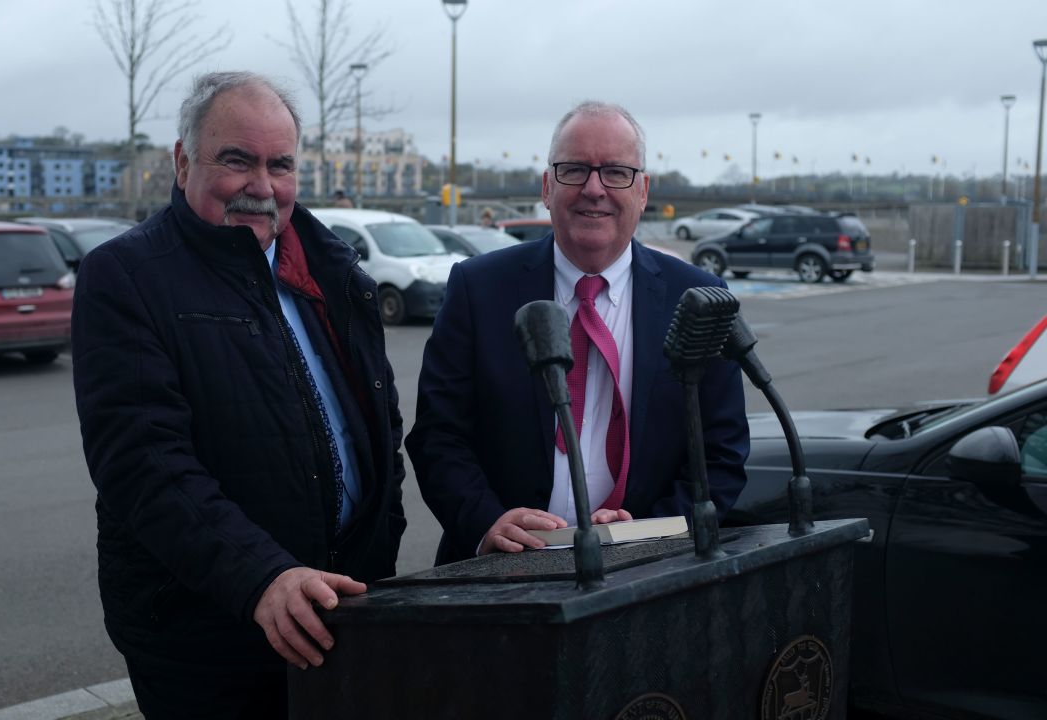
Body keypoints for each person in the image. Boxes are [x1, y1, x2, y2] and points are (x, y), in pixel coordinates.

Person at [72, 71, 407, 719]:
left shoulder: (334, 272)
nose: (261, 186)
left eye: (280, 165)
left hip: (341, 612)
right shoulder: (127, 277)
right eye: (236, 160)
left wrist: (375, 568)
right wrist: (260, 575)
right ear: (181, 160)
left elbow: (379, 433)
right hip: (206, 637)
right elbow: (142, 462)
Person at [405, 101, 748, 564]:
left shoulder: (698, 297)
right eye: (574, 170)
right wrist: (485, 522)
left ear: (643, 191)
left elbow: (720, 453)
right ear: (547, 187)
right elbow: (437, 436)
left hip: (646, 577)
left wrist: (651, 537)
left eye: (615, 172)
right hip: (501, 573)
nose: (593, 189)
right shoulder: (477, 288)